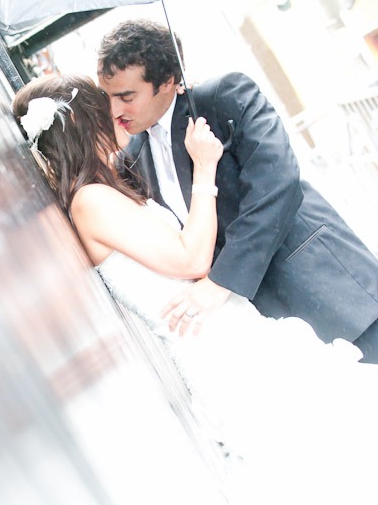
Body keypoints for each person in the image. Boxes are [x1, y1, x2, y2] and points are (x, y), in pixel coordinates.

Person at [12, 73, 378, 505]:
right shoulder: (91, 204)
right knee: (321, 466)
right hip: (221, 350)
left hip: (229, 337)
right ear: (88, 126)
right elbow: (189, 261)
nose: (123, 121)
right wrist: (204, 170)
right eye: (112, 112)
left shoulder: (101, 191)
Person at [97, 20, 378, 363]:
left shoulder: (223, 98)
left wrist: (220, 283)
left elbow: (278, 185)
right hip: (259, 324)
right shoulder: (131, 159)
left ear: (168, 81)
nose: (115, 110)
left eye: (127, 97)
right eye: (108, 97)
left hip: (321, 285)